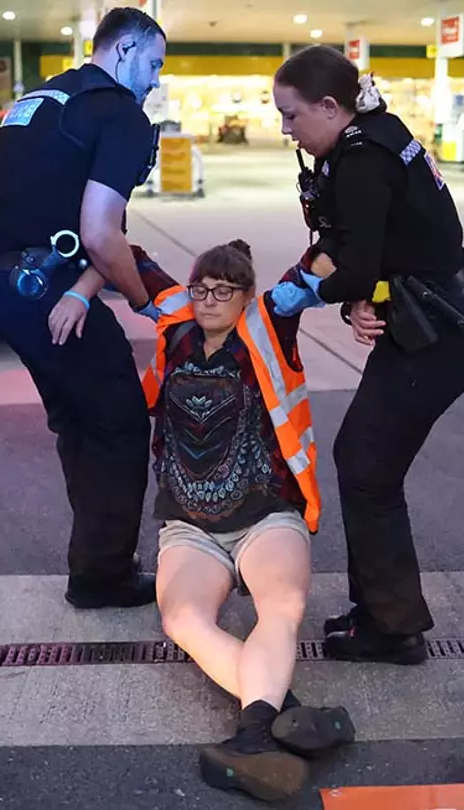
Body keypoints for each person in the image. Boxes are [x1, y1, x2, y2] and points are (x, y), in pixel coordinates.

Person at [274, 45, 464, 664]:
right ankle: (379, 611)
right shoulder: (376, 134)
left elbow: (356, 260)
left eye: (292, 116)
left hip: (441, 329)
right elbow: (373, 245)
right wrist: (360, 298)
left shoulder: (361, 159)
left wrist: (309, 294)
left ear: (331, 107)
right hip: (434, 311)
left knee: (366, 465)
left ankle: (393, 629)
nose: (286, 129)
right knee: (366, 462)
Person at [126, 241, 354, 802]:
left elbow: (320, 263)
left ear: (245, 296)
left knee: (282, 605)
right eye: (202, 287)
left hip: (266, 515)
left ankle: (251, 738)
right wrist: (82, 288)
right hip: (189, 525)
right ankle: (281, 709)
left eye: (224, 290)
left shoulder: (269, 328)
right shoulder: (175, 327)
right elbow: (122, 254)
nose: (209, 299)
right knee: (183, 620)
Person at [0, 6, 167, 609]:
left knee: (81, 417)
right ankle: (102, 577)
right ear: (123, 51)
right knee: (121, 420)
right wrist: (142, 299)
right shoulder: (121, 113)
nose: (154, 80)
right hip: (37, 283)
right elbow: (101, 233)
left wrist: (82, 289)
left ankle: (95, 565)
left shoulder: (44, 97)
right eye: (152, 64)